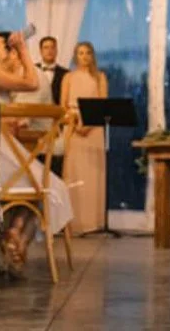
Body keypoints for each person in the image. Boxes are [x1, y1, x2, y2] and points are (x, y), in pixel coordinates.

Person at [0, 27, 73, 277]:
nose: (4, 45)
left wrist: (9, 122)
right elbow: (31, 82)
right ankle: (16, 237)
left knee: (39, 186)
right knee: (49, 188)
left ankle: (13, 238)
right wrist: (22, 49)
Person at [60, 41, 108, 234]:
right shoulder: (68, 77)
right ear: (75, 56)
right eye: (80, 53)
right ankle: (73, 223)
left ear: (92, 55)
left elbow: (103, 105)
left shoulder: (100, 77)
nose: (84, 56)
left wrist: (88, 124)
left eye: (88, 52)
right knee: (73, 173)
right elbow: (63, 105)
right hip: (72, 126)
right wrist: (74, 122)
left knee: (92, 174)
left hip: (93, 128)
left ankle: (92, 222)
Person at [37, 36, 70, 107]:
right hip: (34, 110)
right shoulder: (32, 70)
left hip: (57, 111)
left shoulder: (66, 73)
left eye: (52, 47)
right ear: (40, 51)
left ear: (56, 51)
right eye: (46, 48)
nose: (49, 51)